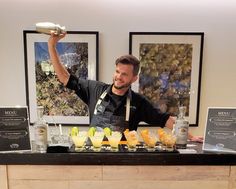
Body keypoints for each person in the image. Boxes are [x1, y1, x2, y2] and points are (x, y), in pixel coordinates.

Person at [48, 32, 203, 141]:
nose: (118, 77)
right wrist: (52, 46)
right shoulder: (95, 90)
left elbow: (166, 120)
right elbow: (64, 78)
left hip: (122, 163)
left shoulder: (138, 102)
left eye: (124, 74)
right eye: (117, 72)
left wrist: (191, 136)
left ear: (134, 78)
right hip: (93, 159)